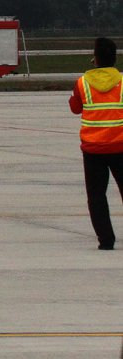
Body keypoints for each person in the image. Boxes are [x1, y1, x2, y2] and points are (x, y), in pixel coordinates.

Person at [69, 36, 123, 250]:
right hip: (120, 146)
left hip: (93, 149)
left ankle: (106, 240)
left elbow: (75, 108)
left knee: (96, 196)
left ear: (95, 59)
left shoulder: (82, 83)